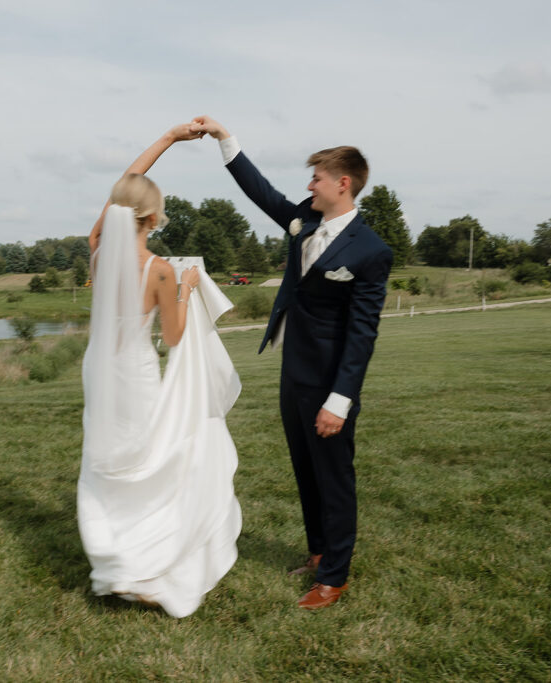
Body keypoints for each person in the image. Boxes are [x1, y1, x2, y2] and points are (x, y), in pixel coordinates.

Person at [193, 115, 393, 610]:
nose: (310, 185)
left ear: (342, 184)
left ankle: (335, 577)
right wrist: (225, 140)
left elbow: (362, 333)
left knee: (334, 477)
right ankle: (319, 551)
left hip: (330, 382)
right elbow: (261, 193)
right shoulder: (304, 221)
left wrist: (340, 401)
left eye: (317, 178)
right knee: (305, 470)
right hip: (293, 372)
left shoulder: (371, 251)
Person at [77, 123, 242, 618]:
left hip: (100, 372)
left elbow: (127, 180)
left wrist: (168, 139)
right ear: (152, 217)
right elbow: (172, 337)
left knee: (112, 459)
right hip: (137, 372)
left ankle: (120, 558)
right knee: (153, 461)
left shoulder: (99, 251)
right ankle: (149, 564)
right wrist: (188, 287)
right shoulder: (161, 270)